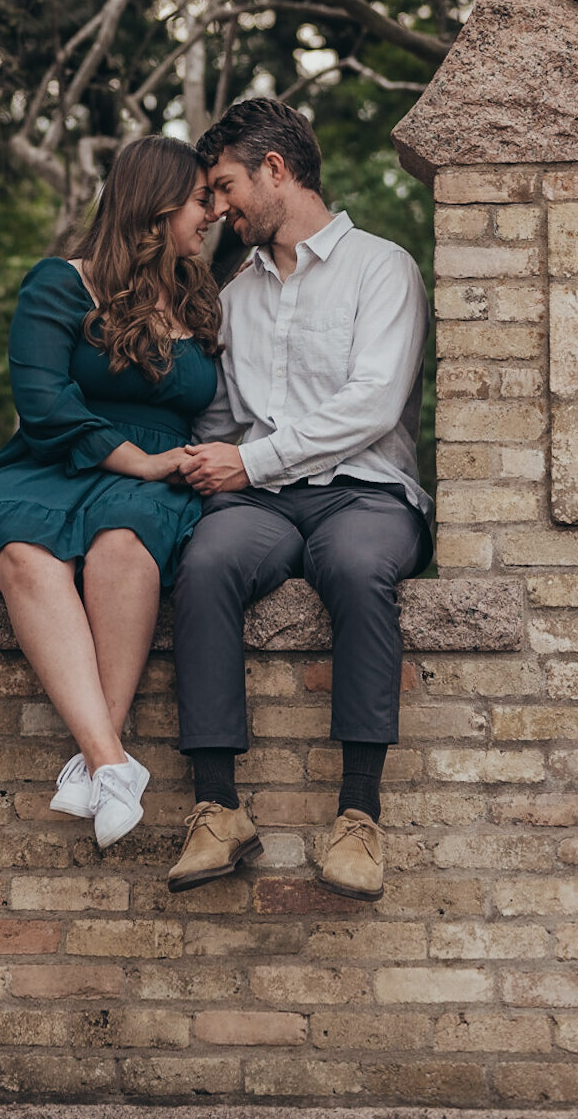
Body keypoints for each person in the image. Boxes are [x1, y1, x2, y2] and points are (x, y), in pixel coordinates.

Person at [0, 136, 220, 851]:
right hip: (60, 457)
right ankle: (112, 761)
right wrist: (132, 460)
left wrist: (163, 468)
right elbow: (40, 398)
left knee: (123, 545)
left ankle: (95, 765)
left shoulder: (202, 297)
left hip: (156, 479)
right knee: (18, 551)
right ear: (158, 202)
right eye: (201, 200)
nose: (211, 214)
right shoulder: (59, 283)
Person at [166, 97, 432, 903]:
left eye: (223, 187)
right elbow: (223, 417)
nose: (215, 209)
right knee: (203, 563)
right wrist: (210, 459)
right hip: (262, 502)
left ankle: (358, 817)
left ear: (274, 171)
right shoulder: (233, 293)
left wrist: (250, 461)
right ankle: (217, 809)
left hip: (367, 493)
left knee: (355, 571)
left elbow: (371, 403)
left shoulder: (381, 267)